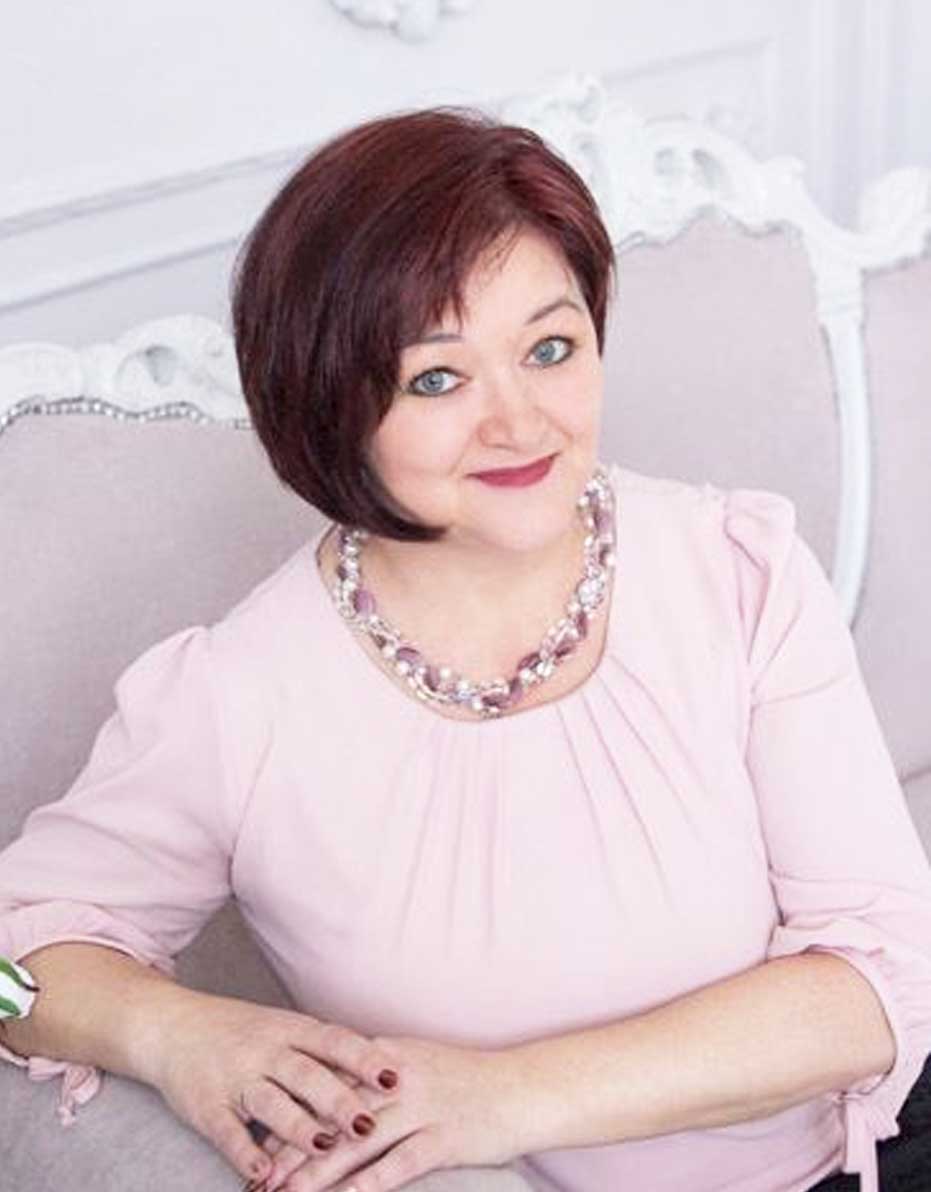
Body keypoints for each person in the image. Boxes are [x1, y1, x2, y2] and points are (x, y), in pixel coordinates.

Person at [1, 105, 930, 1192]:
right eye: (437, 378)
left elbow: (882, 976)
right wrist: (176, 1034)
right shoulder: (235, 698)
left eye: (550, 348)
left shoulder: (738, 569)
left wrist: (502, 1096)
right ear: (327, 402)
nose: (520, 423)